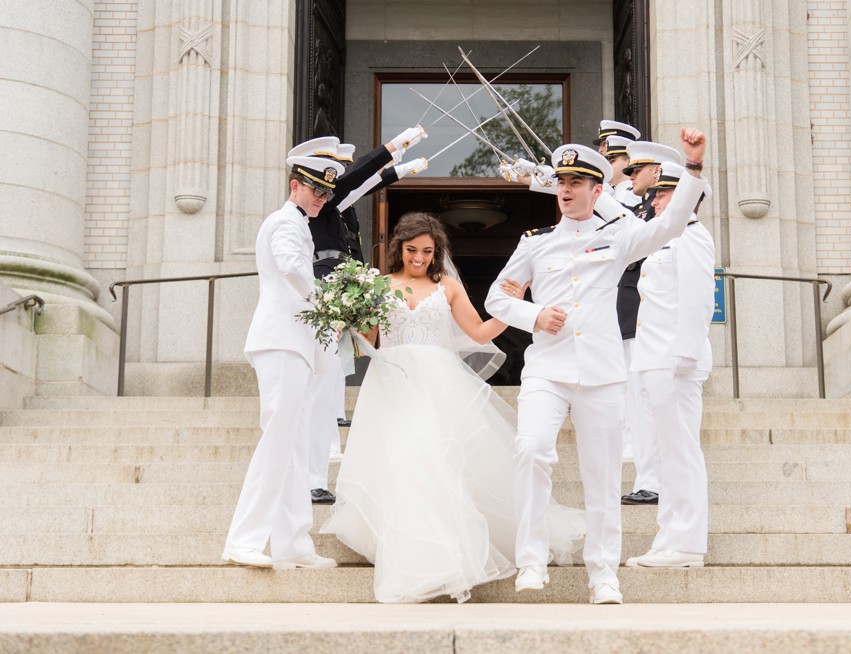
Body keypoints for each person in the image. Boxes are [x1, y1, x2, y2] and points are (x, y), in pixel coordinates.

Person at [485, 130, 708, 605]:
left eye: (576, 181)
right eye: (561, 180)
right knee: (531, 449)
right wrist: (533, 316)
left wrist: (691, 169)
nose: (565, 189)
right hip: (546, 368)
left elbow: (669, 227)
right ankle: (530, 559)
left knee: (603, 475)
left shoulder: (620, 236)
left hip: (602, 373)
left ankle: (603, 573)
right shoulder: (536, 242)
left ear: (596, 190)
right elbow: (496, 296)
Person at [321, 212, 584, 604]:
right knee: (401, 463)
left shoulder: (447, 287)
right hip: (390, 382)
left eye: (427, 251)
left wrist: (512, 310)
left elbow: (478, 332)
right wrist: (349, 320)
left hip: (438, 384)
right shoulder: (378, 285)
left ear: (436, 251)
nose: (419, 259)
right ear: (399, 248)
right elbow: (369, 341)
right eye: (412, 250)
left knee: (437, 462)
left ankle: (446, 558)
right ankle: (416, 557)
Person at [286, 130, 428, 505]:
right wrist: (394, 148)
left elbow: (360, 183)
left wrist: (399, 165)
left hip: (332, 305)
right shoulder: (293, 218)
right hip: (309, 308)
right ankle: (300, 474)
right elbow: (358, 180)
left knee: (326, 385)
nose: (327, 192)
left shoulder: (328, 207)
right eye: (323, 182)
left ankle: (315, 476)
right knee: (308, 395)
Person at [221, 149, 344, 571]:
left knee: (292, 444)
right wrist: (330, 302)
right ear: (295, 185)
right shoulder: (285, 221)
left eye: (326, 193)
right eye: (315, 189)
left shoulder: (300, 224)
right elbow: (292, 268)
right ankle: (244, 539)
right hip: (280, 342)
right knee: (278, 441)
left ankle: (293, 543)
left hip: (297, 343)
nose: (321, 198)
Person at [626, 161, 716, 569]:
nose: (653, 200)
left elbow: (699, 300)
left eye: (661, 194)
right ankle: (669, 539)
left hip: (675, 361)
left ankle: (688, 544)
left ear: (683, 197)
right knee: (666, 453)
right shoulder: (665, 239)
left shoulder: (693, 237)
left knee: (681, 452)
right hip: (655, 360)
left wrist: (685, 355)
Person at [616, 141, 683, 505]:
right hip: (632, 318)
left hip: (654, 326)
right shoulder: (645, 213)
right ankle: (650, 479)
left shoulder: (671, 223)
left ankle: (657, 480)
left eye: (636, 170)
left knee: (650, 403)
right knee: (637, 400)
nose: (631, 177)